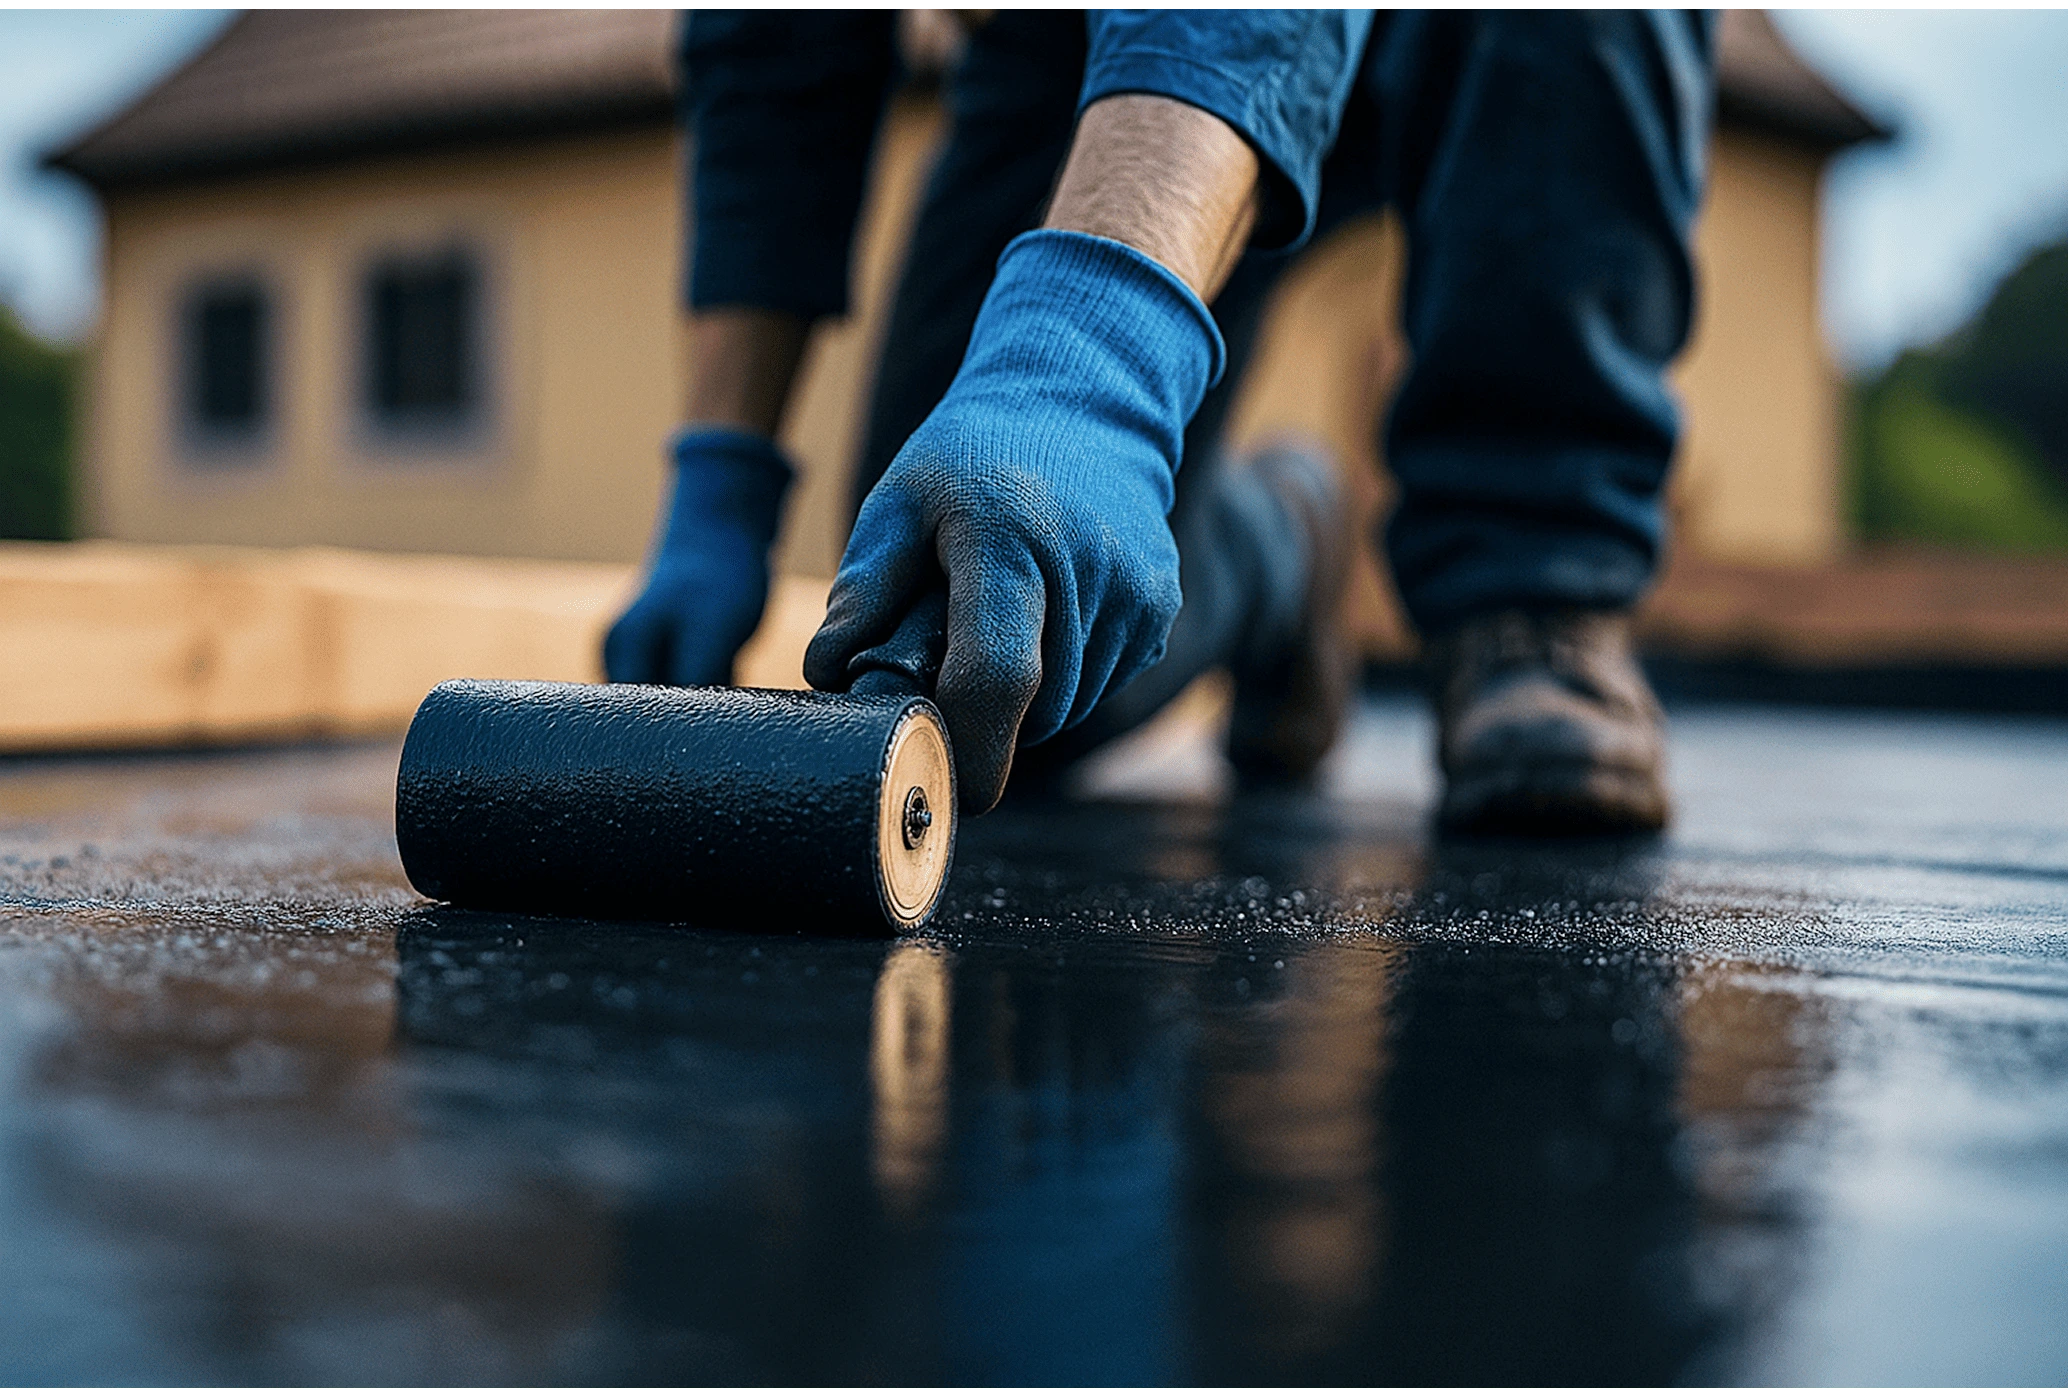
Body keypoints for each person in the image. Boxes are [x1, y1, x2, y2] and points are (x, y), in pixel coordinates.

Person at [604, 10, 1715, 833]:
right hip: (1080, 37)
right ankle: (1282, 543)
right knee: (987, 640)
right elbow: (773, 54)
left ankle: (1533, 590)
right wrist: (721, 482)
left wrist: (1084, 354)